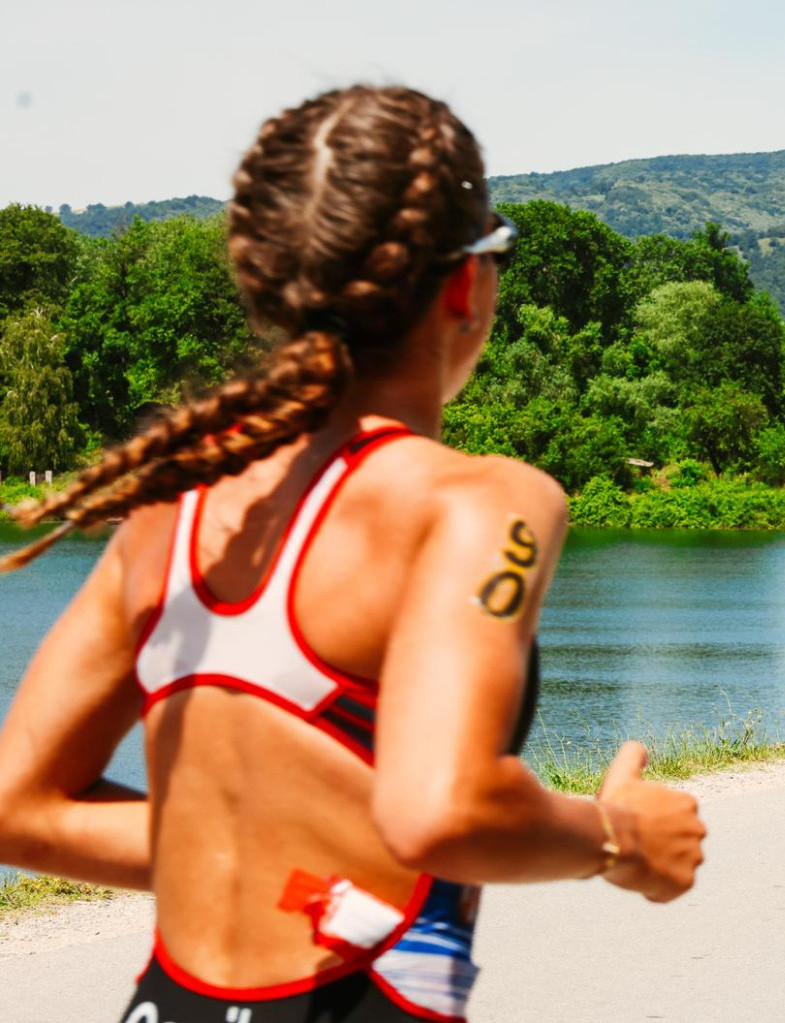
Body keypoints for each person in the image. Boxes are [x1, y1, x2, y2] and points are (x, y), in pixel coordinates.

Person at [0, 86, 705, 1023]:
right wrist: (617, 836)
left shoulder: (176, 507)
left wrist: (252, 844)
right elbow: (438, 809)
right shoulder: (484, 502)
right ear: (467, 283)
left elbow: (20, 806)